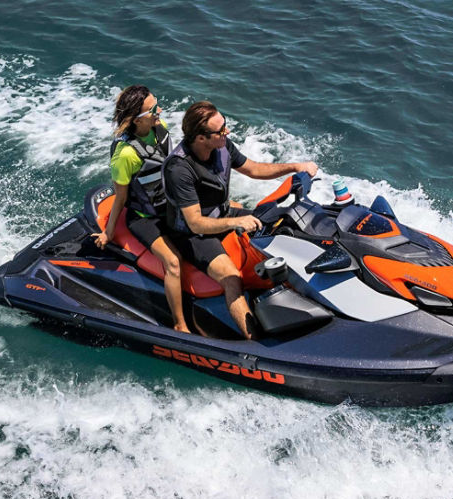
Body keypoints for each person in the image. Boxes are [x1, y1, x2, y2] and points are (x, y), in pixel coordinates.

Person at [161, 101, 317, 339]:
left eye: (225, 125)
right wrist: (236, 222)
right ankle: (253, 342)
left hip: (222, 215)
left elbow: (254, 169)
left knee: (281, 226)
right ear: (201, 138)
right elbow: (195, 223)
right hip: (192, 235)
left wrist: (295, 167)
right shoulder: (179, 169)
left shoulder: (222, 146)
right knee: (232, 278)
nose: (227, 132)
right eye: (220, 130)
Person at [91, 85, 190, 333]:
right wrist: (109, 233)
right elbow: (120, 198)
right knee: (173, 263)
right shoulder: (125, 155)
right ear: (136, 119)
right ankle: (180, 325)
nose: (160, 111)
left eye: (158, 105)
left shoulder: (160, 129)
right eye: (153, 109)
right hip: (145, 218)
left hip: (170, 206)